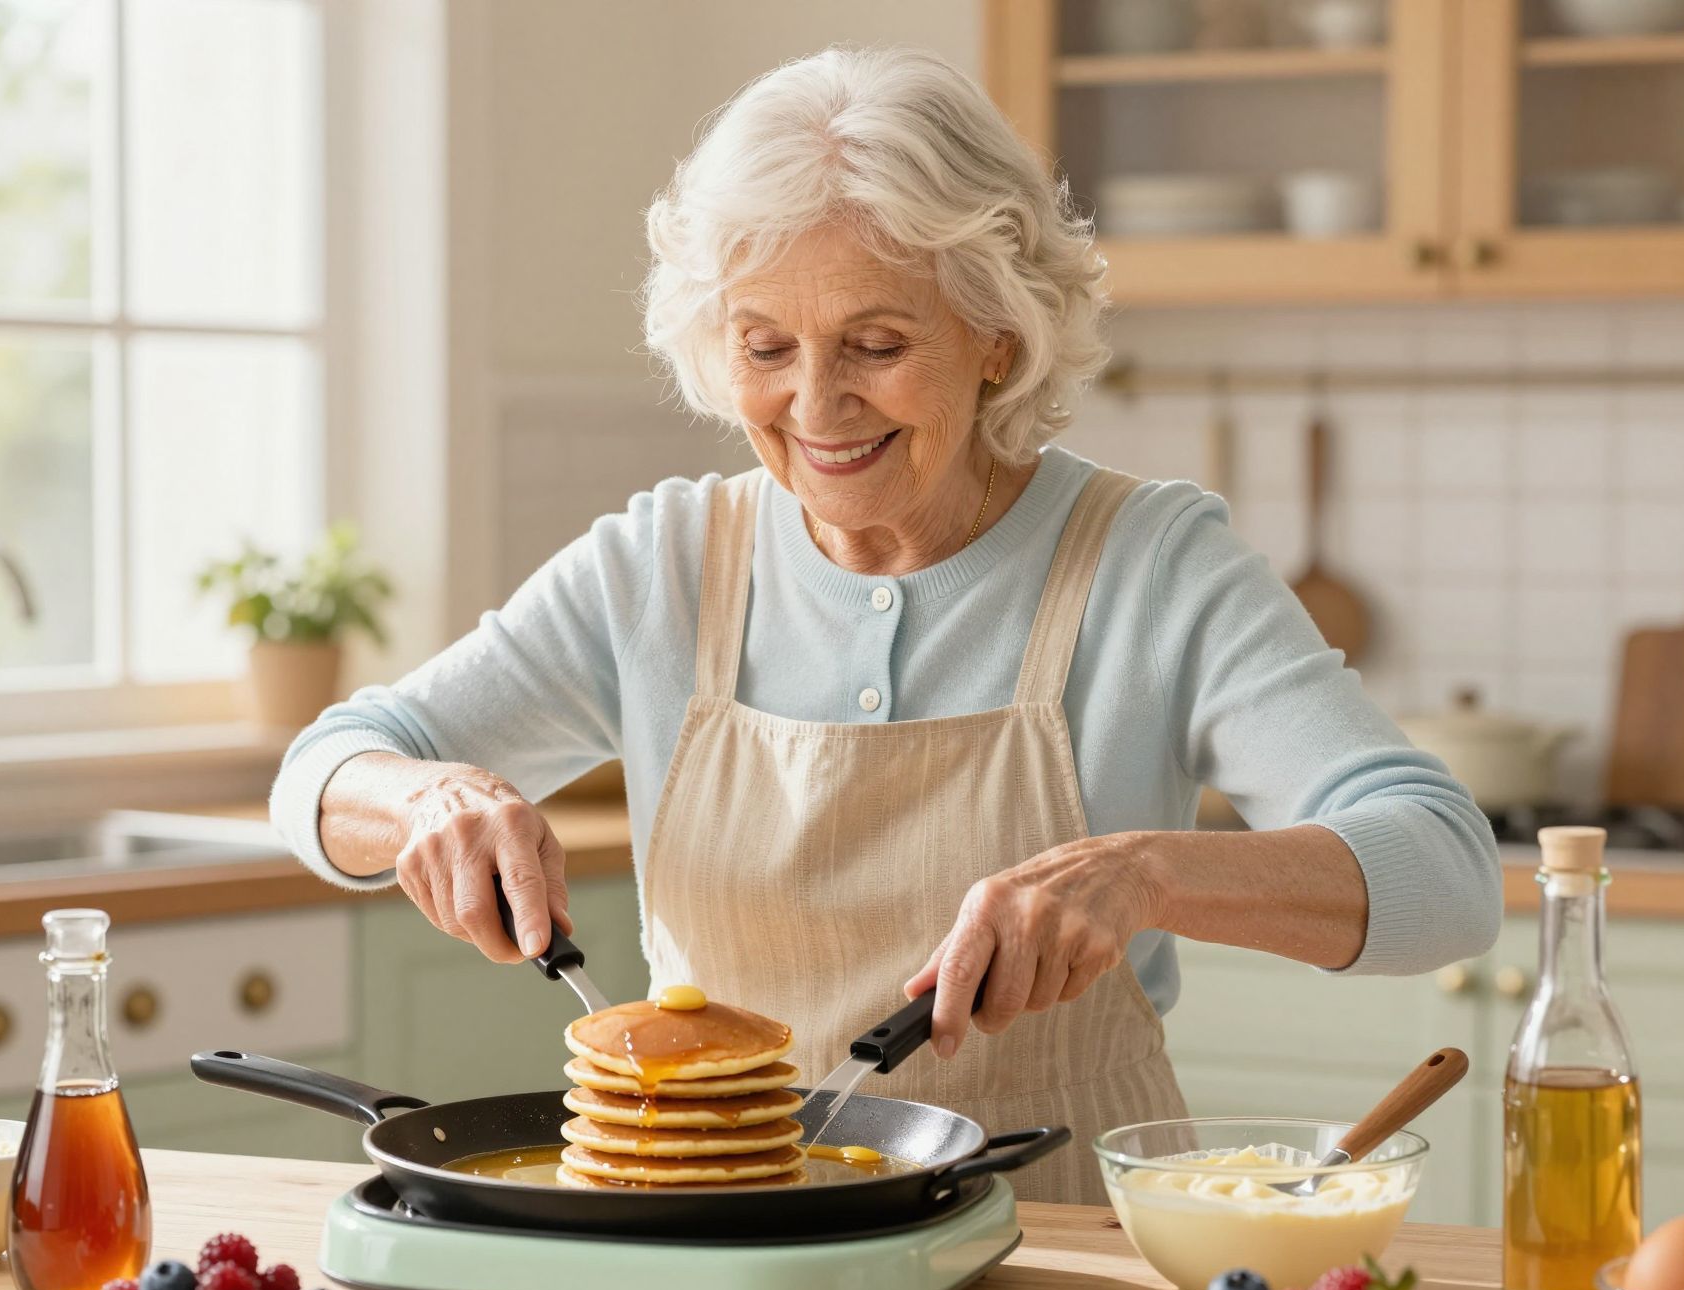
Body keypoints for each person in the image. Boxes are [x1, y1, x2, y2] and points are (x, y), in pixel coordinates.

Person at [271, 47, 1500, 1202]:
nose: (815, 404)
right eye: (764, 346)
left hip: (1048, 1256)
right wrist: (426, 802)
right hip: (713, 1236)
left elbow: (1444, 874)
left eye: (875, 343)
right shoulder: (659, 566)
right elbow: (326, 768)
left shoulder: (1150, 567)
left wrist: (1148, 873)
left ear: (997, 339)